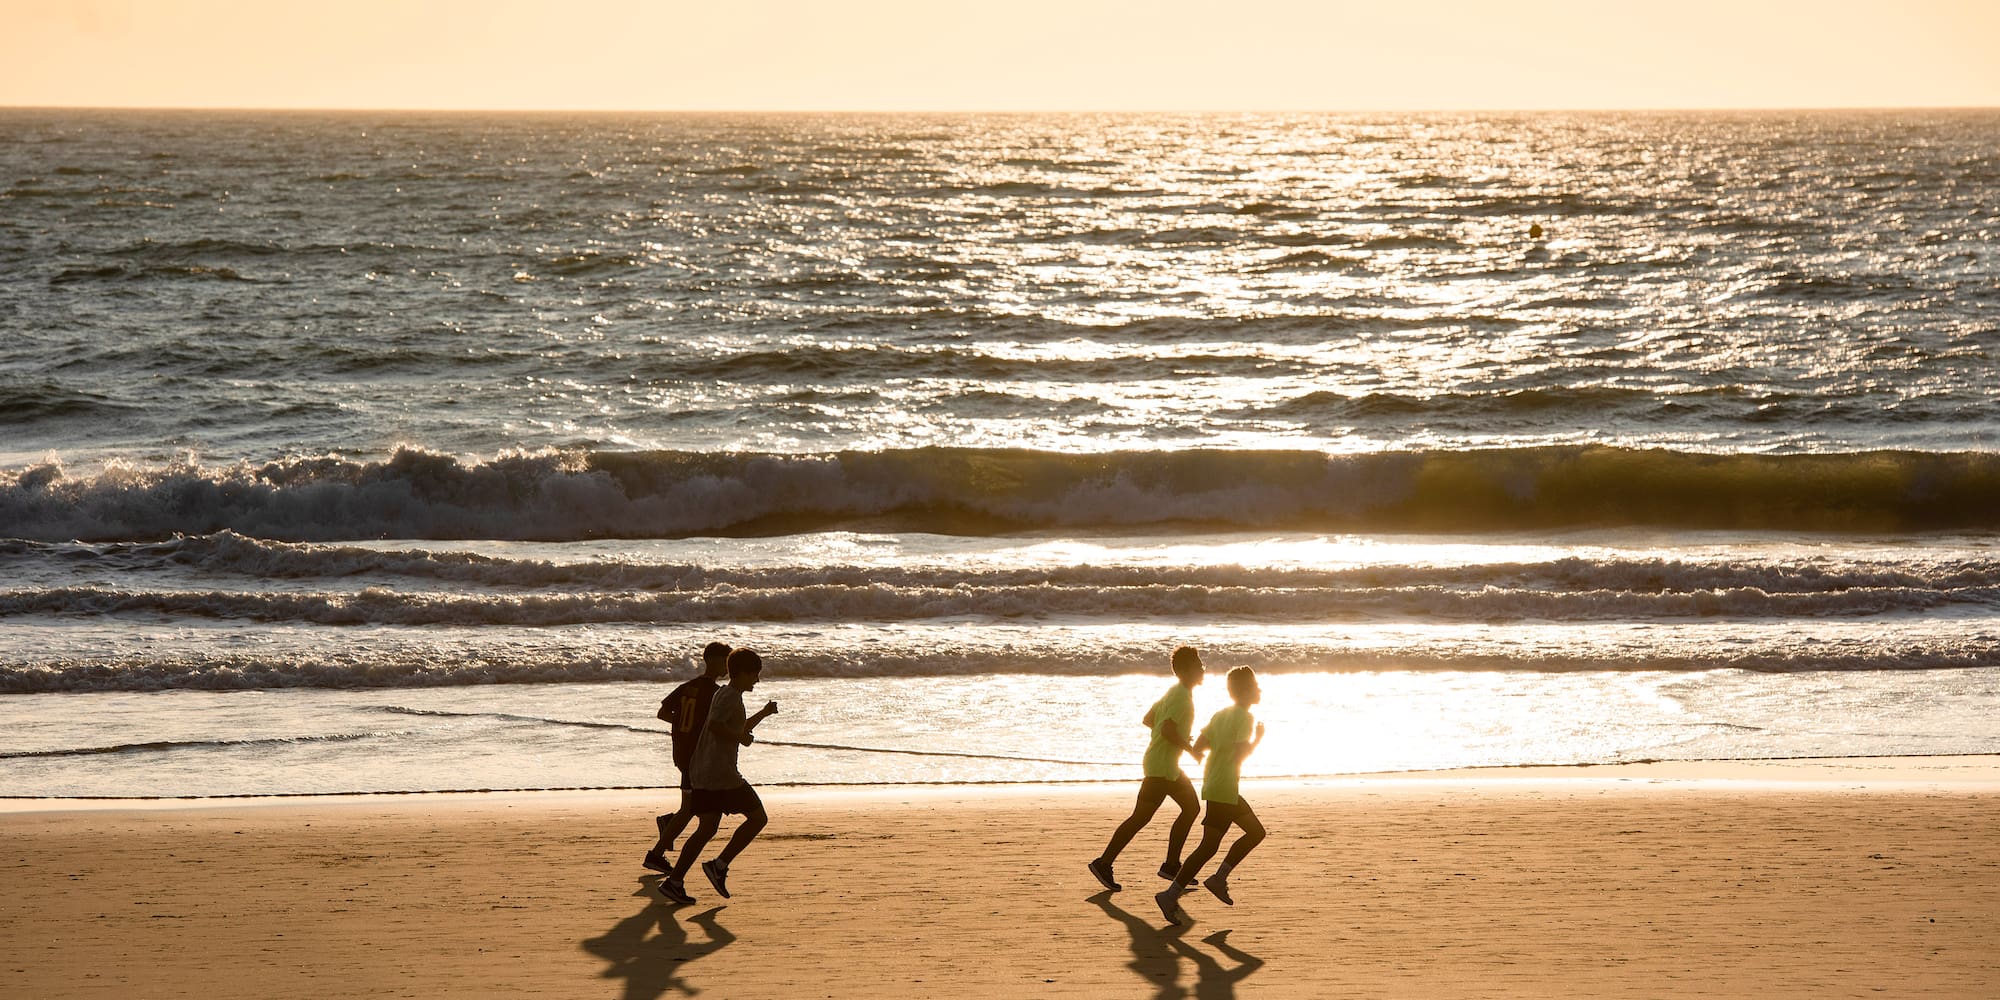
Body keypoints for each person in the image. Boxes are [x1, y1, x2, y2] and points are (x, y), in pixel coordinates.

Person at [660, 648, 778, 904]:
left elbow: (735, 728)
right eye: (754, 675)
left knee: (707, 828)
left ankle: (674, 881)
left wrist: (763, 714)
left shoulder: (725, 693)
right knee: (758, 818)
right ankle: (719, 865)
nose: (757, 680)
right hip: (721, 775)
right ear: (742, 674)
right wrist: (740, 738)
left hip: (703, 771)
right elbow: (716, 725)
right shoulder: (731, 698)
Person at [1088, 645, 1206, 892]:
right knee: (1146, 816)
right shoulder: (1182, 696)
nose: (1203, 668)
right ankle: (1104, 862)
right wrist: (1189, 747)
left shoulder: (1172, 693)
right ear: (1185, 670)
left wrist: (1178, 737)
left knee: (1187, 808)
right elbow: (1165, 729)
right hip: (1162, 767)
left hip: (1163, 764)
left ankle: (1170, 865)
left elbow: (1149, 719)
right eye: (1198, 664)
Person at [1155, 666, 1266, 925]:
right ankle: (1173, 894)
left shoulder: (1221, 714)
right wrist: (1257, 740)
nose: (1259, 689)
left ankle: (1215, 879)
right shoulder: (1245, 718)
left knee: (1253, 833)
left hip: (1216, 784)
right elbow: (1240, 754)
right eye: (1255, 686)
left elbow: (1199, 745)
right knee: (1209, 846)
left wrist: (1217, 749)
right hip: (1225, 788)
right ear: (1246, 691)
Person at [644, 641, 732, 875]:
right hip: (697, 759)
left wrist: (683, 724)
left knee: (691, 807)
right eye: (726, 661)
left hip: (682, 754)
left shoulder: (687, 687)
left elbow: (663, 713)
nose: (728, 667)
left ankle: (665, 829)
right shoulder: (714, 694)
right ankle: (656, 852)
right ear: (713, 660)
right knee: (690, 809)